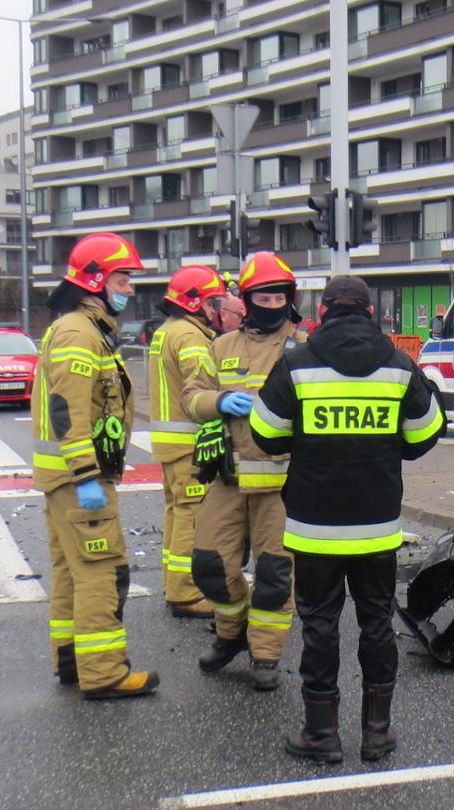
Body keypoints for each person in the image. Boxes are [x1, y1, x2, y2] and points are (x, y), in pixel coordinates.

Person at [252, 276, 445, 764]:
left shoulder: (296, 365)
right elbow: (425, 437)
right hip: (376, 525)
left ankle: (322, 735)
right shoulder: (400, 367)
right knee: (377, 624)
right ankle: (377, 734)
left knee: (319, 627)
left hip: (314, 526)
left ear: (324, 313)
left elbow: (265, 434)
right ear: (370, 313)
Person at [32, 232, 158, 699]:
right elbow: (69, 408)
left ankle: (71, 660)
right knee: (101, 571)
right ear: (95, 281)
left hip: (65, 476)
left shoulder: (83, 330)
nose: (129, 288)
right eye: (123, 278)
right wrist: (86, 473)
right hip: (78, 478)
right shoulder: (79, 333)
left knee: (70, 570)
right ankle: (104, 672)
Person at [188, 251, 304, 692]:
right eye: (263, 297)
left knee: (275, 577)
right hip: (228, 477)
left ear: (289, 300)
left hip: (281, 483)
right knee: (209, 566)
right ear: (247, 298)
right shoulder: (221, 347)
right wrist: (218, 402)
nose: (271, 305)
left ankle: (266, 653)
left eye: (279, 298)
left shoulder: (303, 348)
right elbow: (191, 395)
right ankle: (230, 633)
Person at [151, 264, 231, 618]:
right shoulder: (191, 337)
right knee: (190, 518)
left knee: (175, 514)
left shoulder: (168, 330)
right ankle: (184, 592)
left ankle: (174, 583)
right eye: (213, 302)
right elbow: (201, 385)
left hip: (170, 445)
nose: (217, 309)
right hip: (189, 444)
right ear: (197, 302)